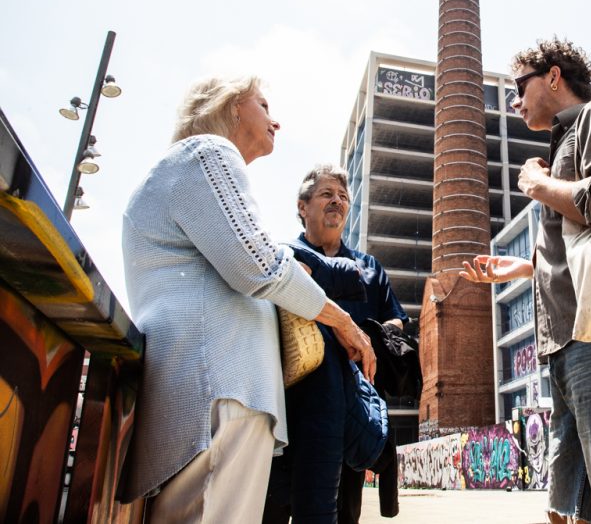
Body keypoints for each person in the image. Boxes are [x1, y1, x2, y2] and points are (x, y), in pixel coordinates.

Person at [120, 76, 375, 523]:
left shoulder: (178, 170)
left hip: (207, 394)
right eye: (262, 104)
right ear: (232, 107)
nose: (275, 120)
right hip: (220, 392)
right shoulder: (209, 154)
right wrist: (342, 321)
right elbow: (262, 266)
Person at [460, 39, 591, 524]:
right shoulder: (565, 141)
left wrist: (537, 185)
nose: (515, 102)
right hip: (572, 342)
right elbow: (584, 246)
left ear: (554, 77)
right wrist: (525, 266)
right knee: (567, 510)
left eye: (520, 86)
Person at [262, 164, 408, 523]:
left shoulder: (368, 267)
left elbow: (397, 319)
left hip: (350, 412)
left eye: (343, 196)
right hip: (287, 414)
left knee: (342, 513)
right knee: (275, 508)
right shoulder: (283, 259)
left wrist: (364, 334)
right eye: (327, 194)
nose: (337, 202)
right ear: (302, 207)